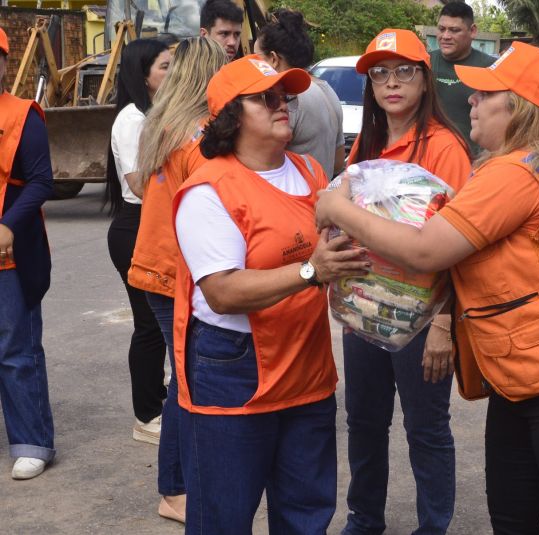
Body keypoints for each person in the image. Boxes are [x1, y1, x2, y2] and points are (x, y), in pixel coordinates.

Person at [316, 41, 539, 535]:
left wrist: (336, 208)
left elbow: (424, 251)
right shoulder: (525, 166)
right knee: (512, 518)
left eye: (485, 94)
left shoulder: (513, 174)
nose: (471, 101)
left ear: (519, 108)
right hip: (524, 377)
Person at [172, 55, 368, 534]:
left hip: (306, 364)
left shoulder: (310, 173)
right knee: (224, 516)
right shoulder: (208, 191)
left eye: (285, 97)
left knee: (306, 514)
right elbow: (221, 292)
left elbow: (339, 250)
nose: (284, 106)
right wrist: (310, 270)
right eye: (267, 99)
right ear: (232, 116)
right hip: (234, 368)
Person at [340, 28, 472, 535]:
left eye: (404, 71)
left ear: (424, 78)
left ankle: (432, 526)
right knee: (365, 425)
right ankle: (364, 520)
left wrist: (444, 324)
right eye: (380, 73)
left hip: (422, 322)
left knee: (427, 429)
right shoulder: (367, 146)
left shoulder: (444, 148)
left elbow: (464, 245)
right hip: (363, 312)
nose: (391, 82)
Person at [127, 37, 227, 524]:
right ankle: (175, 490)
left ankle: (177, 486)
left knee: (180, 379)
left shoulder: (165, 125)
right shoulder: (197, 135)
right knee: (186, 384)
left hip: (158, 267)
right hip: (175, 272)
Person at [104, 39, 171, 447]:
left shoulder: (156, 114)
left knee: (159, 324)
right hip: (136, 228)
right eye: (165, 67)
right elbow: (140, 185)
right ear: (142, 75)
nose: (172, 73)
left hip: (154, 225)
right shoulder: (131, 120)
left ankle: (158, 401)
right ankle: (146, 415)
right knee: (149, 325)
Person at [0, 26, 56, 481]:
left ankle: (32, 441)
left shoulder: (23, 116)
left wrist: (7, 225)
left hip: (10, 252)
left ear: (4, 63)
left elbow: (41, 181)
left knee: (16, 349)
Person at [255, 8, 345, 178]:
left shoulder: (286, 99)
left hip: (291, 200)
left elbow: (262, 168)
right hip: (321, 197)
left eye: (256, 58)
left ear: (273, 59)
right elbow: (338, 162)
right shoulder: (328, 91)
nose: (253, 65)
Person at [430, 1, 494, 156]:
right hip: (430, 158)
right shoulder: (425, 63)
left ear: (472, 31)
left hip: (473, 160)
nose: (445, 36)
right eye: (442, 29)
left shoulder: (491, 68)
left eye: (454, 30)